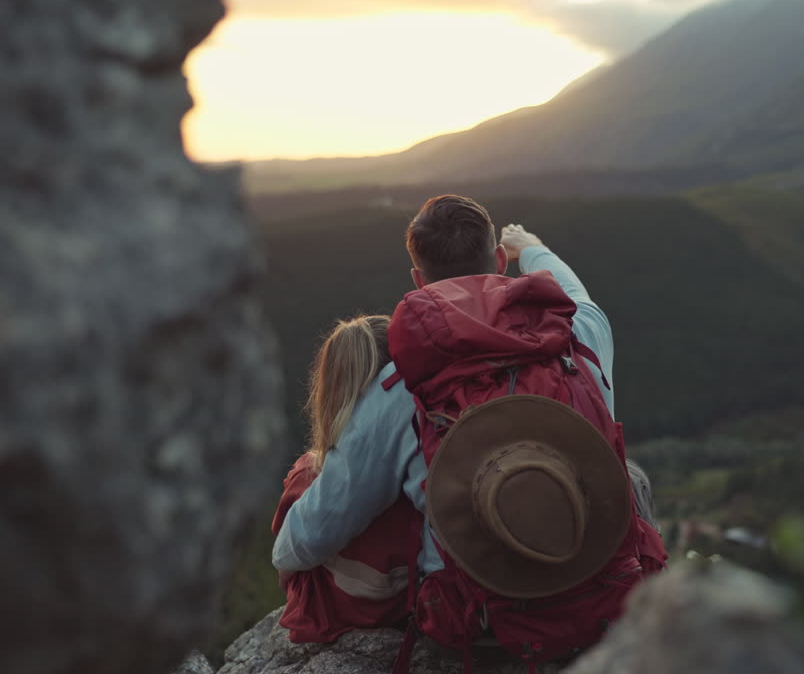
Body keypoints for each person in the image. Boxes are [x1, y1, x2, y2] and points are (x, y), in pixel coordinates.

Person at [273, 195, 665, 667]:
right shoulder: (579, 335)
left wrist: (283, 551)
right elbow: (574, 290)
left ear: (419, 281)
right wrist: (531, 247)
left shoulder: (402, 386)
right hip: (607, 601)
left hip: (481, 631)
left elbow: (316, 532)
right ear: (498, 261)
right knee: (630, 475)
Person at [270, 316, 418, 643]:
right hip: (417, 592)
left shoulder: (328, 467)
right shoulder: (423, 443)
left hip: (356, 606)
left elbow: (291, 556)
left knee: (305, 472)